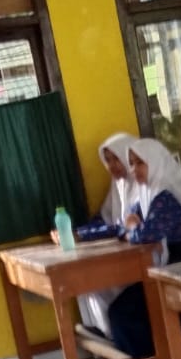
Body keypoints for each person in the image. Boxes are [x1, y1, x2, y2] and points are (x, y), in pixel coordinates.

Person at [103, 139, 181, 359]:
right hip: (171, 267)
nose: (134, 170)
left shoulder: (164, 195)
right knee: (122, 308)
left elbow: (143, 233)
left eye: (140, 163)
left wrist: (133, 229)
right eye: (132, 164)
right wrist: (82, 234)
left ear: (156, 162)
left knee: (126, 309)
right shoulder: (148, 193)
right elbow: (123, 226)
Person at [59, 132, 137, 337]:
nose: (111, 166)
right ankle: (104, 335)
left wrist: (83, 236)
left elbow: (122, 226)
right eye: (108, 160)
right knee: (83, 280)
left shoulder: (141, 186)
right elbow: (105, 219)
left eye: (116, 159)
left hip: (144, 256)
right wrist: (77, 232)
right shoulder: (118, 186)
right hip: (125, 251)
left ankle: (116, 338)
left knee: (98, 280)